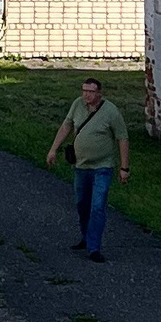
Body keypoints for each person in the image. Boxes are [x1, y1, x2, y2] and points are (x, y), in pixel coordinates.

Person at [44, 75, 129, 262]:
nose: (87, 95)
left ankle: (93, 247)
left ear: (99, 93)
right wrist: (53, 150)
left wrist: (124, 167)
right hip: (81, 166)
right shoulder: (77, 105)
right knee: (82, 204)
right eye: (84, 91)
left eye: (91, 92)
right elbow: (66, 126)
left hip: (102, 167)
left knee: (98, 206)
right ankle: (86, 236)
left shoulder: (111, 112)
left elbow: (122, 138)